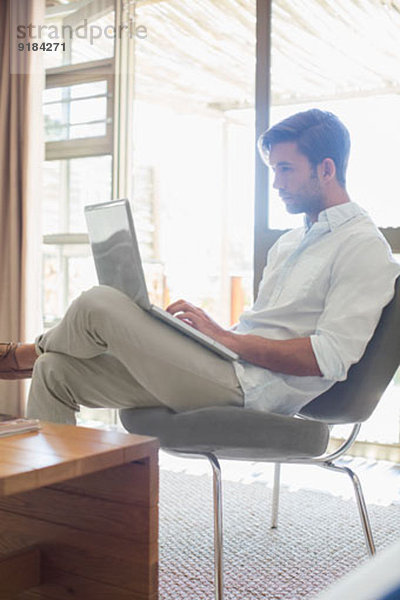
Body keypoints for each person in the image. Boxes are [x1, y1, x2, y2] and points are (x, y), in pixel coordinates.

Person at [1, 109, 399, 423]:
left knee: (99, 303)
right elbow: (261, 330)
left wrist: (227, 340)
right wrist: (213, 336)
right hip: (226, 369)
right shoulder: (291, 242)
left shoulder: (362, 247)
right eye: (273, 169)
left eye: (285, 169)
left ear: (326, 170)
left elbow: (328, 358)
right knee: (56, 372)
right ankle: (54, 516)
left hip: (253, 392)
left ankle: (20, 356)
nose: (276, 183)